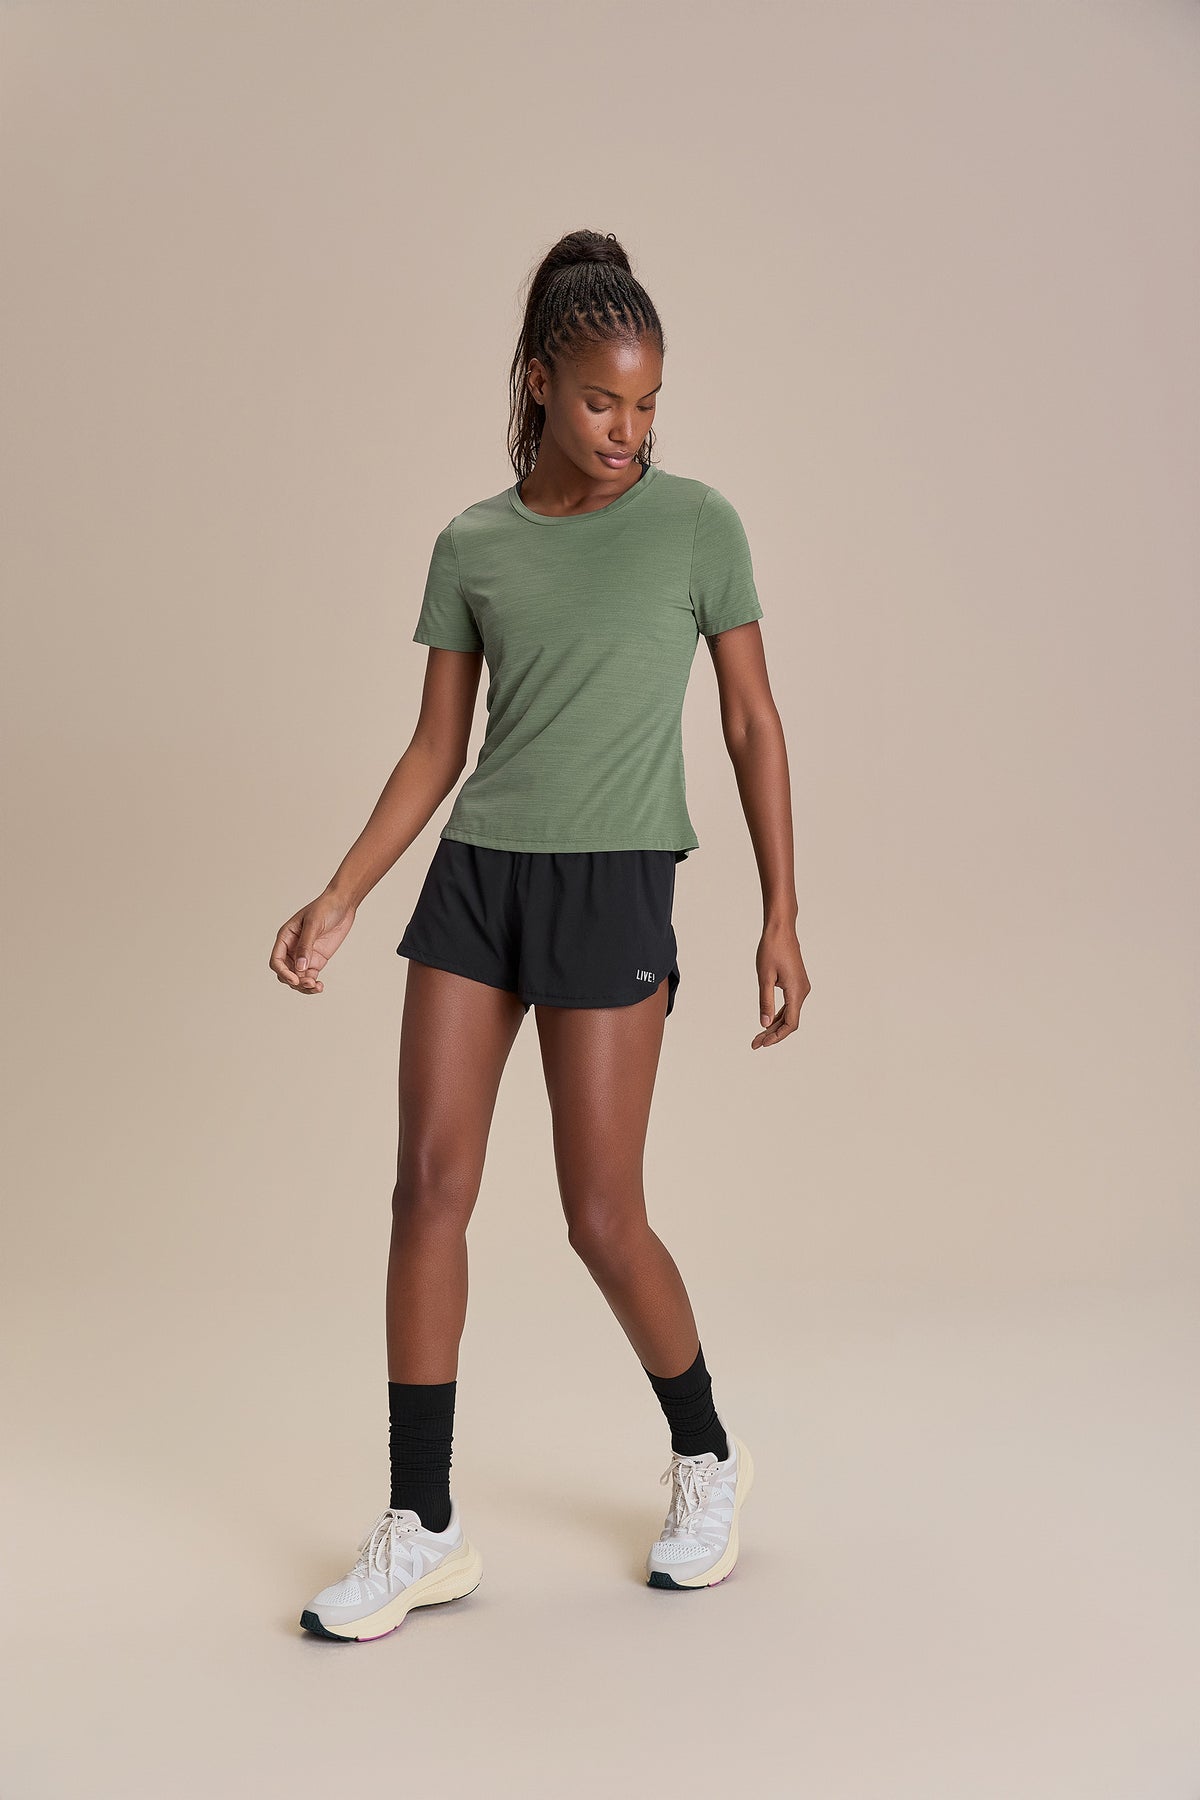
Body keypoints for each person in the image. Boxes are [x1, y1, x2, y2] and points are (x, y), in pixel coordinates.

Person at [270, 228, 810, 1642]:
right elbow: (436, 745)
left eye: (648, 405)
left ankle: (708, 1455)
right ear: (539, 384)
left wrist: (781, 910)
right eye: (600, 402)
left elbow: (752, 722)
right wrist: (341, 895)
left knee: (599, 1213)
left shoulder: (697, 527)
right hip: (478, 878)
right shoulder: (475, 543)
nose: (628, 431)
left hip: (615, 880)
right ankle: (421, 1526)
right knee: (426, 1190)